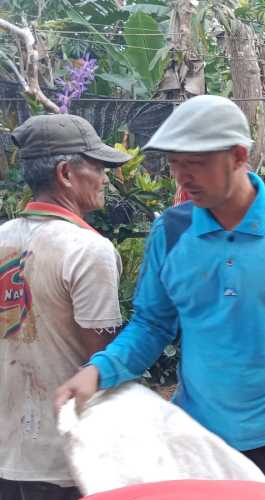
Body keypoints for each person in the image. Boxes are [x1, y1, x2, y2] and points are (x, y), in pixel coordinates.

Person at [55, 95, 265, 500]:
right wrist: (99, 370)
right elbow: (151, 325)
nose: (182, 178)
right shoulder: (171, 234)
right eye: (176, 164)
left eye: (195, 164)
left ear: (238, 156)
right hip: (197, 443)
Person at [1, 114, 131, 500]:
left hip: (6, 453)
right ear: (66, 174)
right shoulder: (88, 250)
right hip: (67, 462)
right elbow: (102, 362)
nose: (106, 178)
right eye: (99, 167)